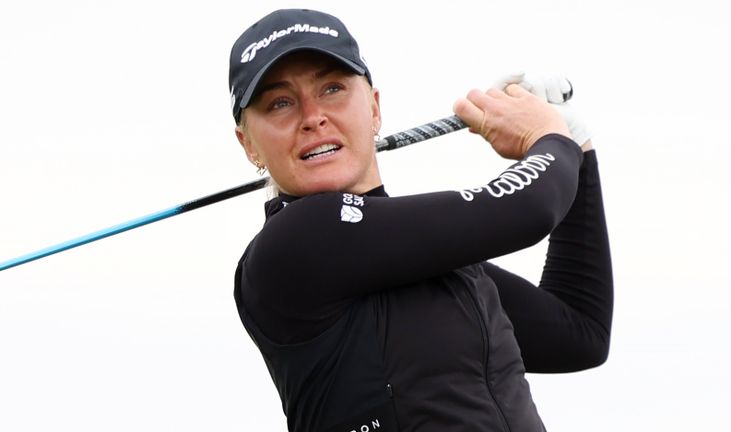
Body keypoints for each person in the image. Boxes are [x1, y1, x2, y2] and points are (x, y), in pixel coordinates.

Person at [229, 8, 612, 432]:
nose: (312, 117)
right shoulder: (295, 241)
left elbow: (581, 334)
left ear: (374, 109)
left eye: (333, 88)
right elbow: (527, 208)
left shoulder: (432, 260)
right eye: (280, 103)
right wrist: (549, 139)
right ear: (249, 145)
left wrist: (577, 147)